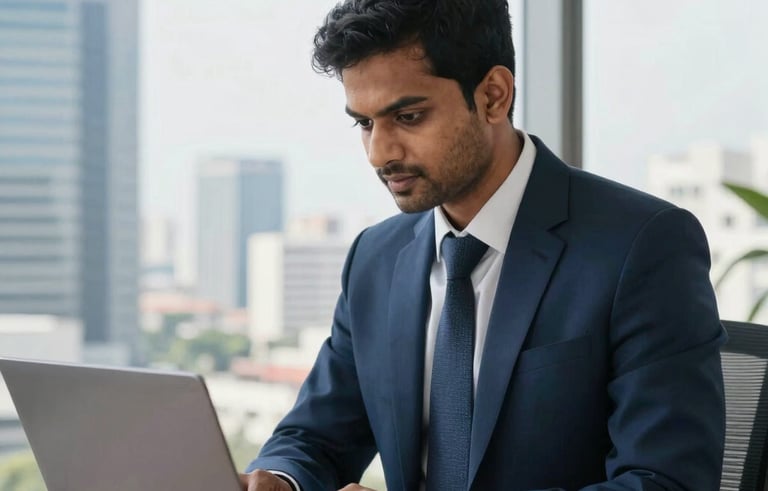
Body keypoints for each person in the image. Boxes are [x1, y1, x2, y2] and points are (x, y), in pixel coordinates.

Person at [240, 1, 727, 490]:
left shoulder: (641, 246)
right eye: (364, 123)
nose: (378, 153)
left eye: (407, 116)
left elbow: (665, 481)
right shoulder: (375, 259)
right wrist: (282, 479)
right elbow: (316, 437)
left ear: (494, 95)